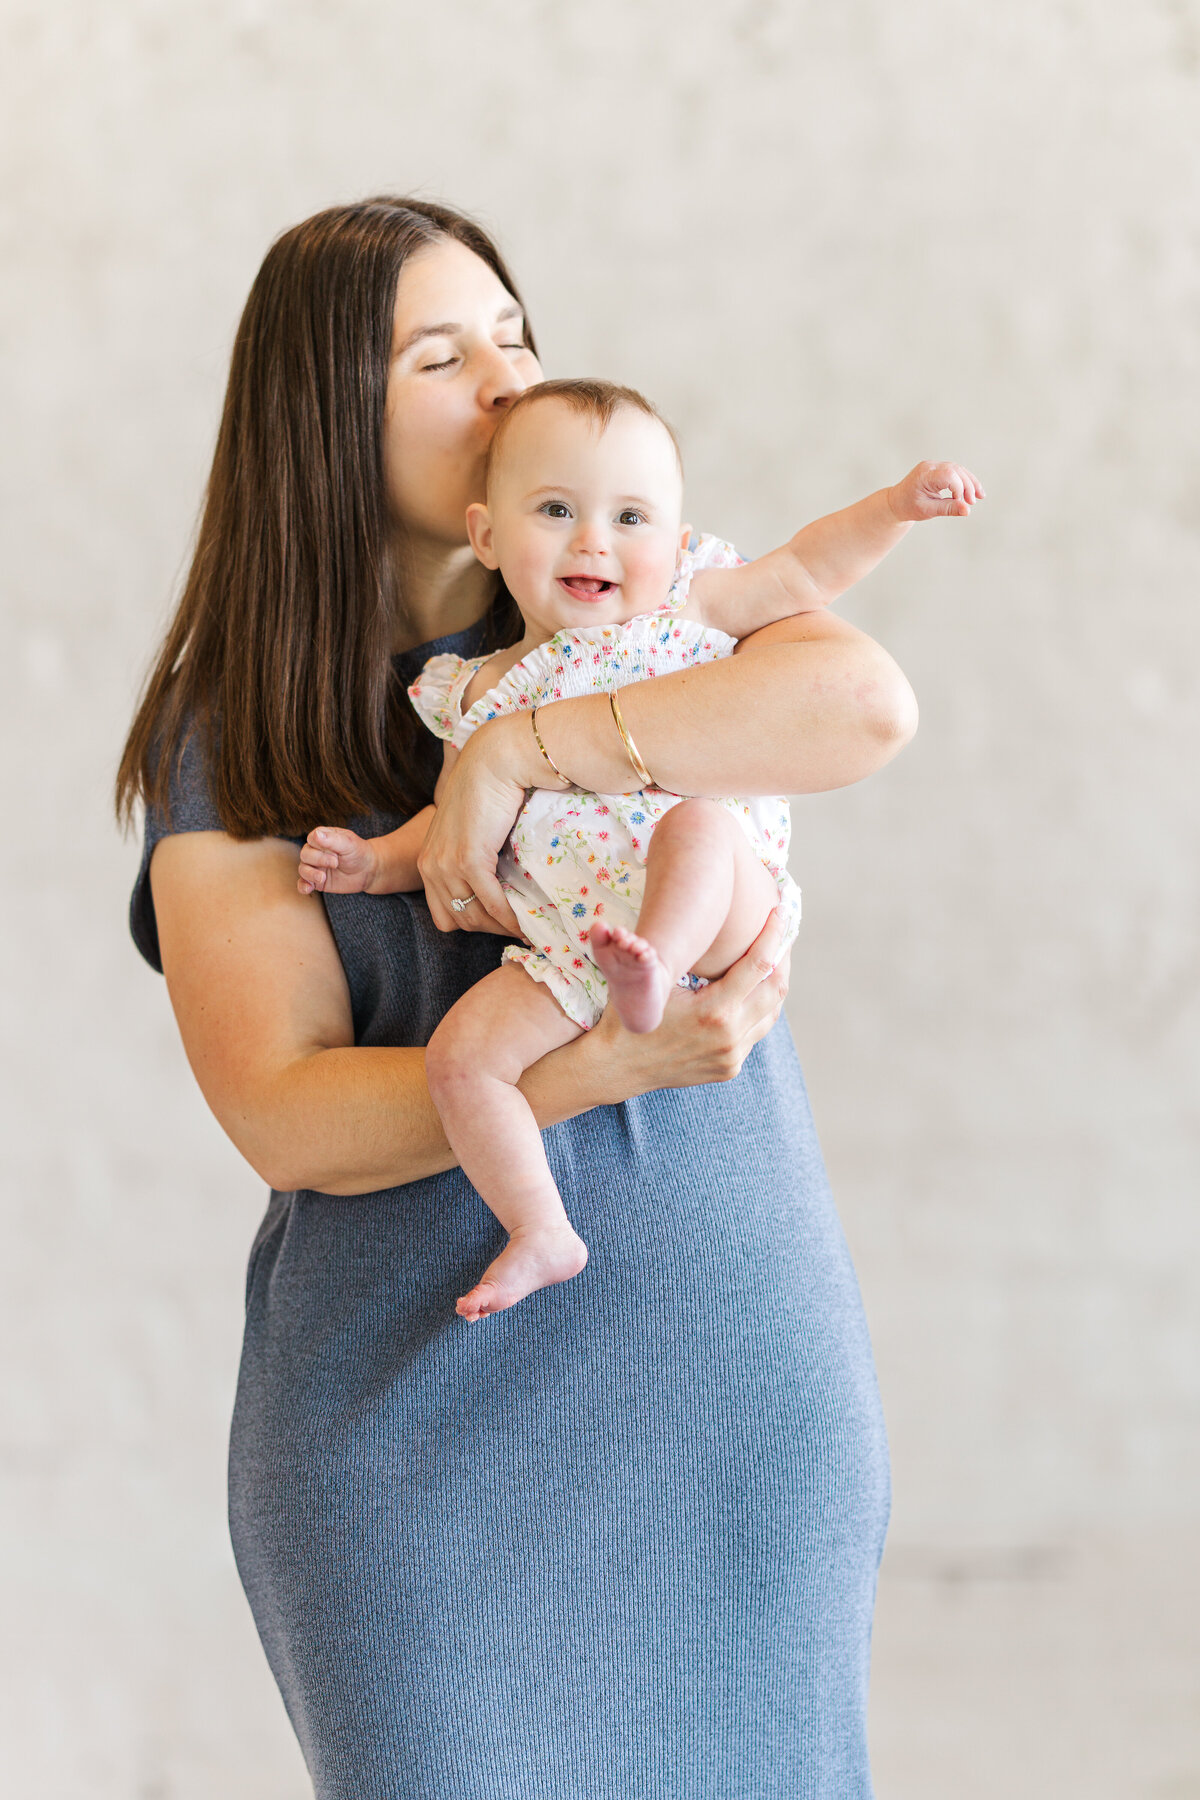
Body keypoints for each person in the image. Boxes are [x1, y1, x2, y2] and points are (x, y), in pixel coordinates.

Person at [117, 196, 921, 1799]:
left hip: (730, 1382)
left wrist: (515, 752)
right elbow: (284, 1111)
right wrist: (597, 1069)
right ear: (326, 411)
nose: (502, 376)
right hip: (418, 1422)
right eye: (440, 350)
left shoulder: (626, 595)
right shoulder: (246, 736)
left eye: (517, 334)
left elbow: (862, 701)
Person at [297, 376, 981, 1324]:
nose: (594, 541)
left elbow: (809, 566)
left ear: (673, 537)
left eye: (630, 517)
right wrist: (378, 864)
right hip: (573, 948)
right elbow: (455, 822)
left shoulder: (687, 610)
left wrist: (900, 505)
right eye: (555, 511)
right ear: (488, 536)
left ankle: (653, 968)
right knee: (459, 1061)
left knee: (696, 825)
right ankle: (541, 1228)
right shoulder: (476, 693)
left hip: (712, 897)